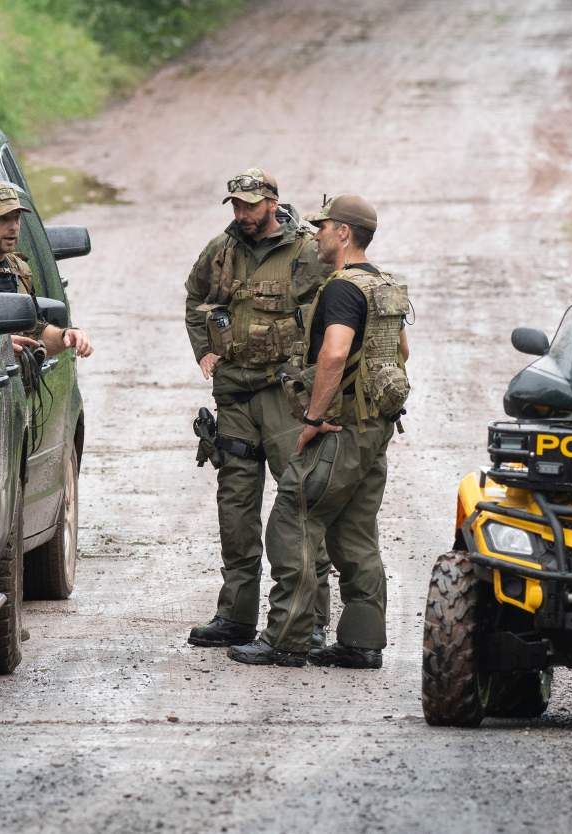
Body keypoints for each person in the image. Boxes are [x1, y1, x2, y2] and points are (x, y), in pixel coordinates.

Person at [228, 194, 410, 669]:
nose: (317, 235)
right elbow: (400, 352)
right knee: (355, 532)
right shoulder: (385, 285)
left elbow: (333, 353)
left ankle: (287, 638)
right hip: (375, 429)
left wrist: (312, 418)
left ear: (344, 233)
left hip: (342, 430)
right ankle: (361, 642)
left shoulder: (342, 288)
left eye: (324, 227)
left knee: (293, 516)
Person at [183, 168, 333, 649]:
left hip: (286, 398)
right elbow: (195, 299)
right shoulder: (220, 250)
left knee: (300, 505)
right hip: (234, 397)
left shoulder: (307, 251)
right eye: (236, 205)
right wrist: (204, 348)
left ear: (273, 201)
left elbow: (336, 310)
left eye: (251, 204)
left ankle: (307, 619)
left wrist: (319, 384)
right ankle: (236, 616)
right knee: (236, 508)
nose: (243, 214)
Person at [0, 180, 92, 359]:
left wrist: (66, 336)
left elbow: (36, 330)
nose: (13, 227)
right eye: (3, 218)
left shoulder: (19, 269)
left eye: (16, 217)